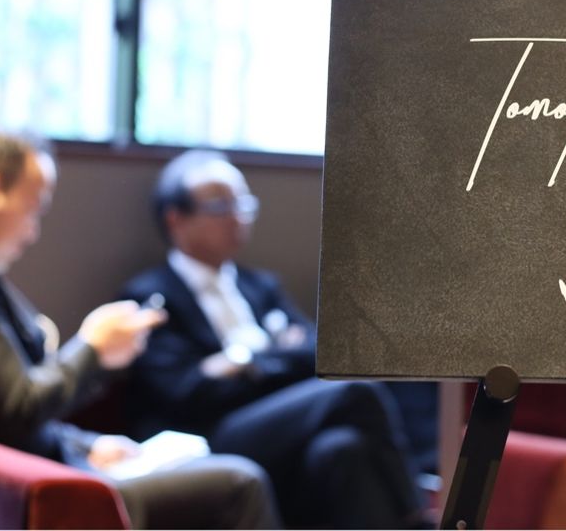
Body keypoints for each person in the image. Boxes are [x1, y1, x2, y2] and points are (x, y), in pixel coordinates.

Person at [0, 131, 280, 529]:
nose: (33, 232)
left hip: (36, 464)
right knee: (241, 481)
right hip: (30, 483)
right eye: (33, 209)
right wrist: (94, 348)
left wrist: (88, 443)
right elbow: (18, 407)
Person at [120, 149, 427, 529]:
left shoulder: (260, 286)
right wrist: (271, 352)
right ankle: (421, 519)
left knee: (342, 448)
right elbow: (186, 391)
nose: (237, 217)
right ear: (176, 219)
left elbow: (315, 352)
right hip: (210, 435)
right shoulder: (149, 297)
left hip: (283, 426)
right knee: (357, 391)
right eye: (220, 206)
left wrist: (242, 362)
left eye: (243, 204)